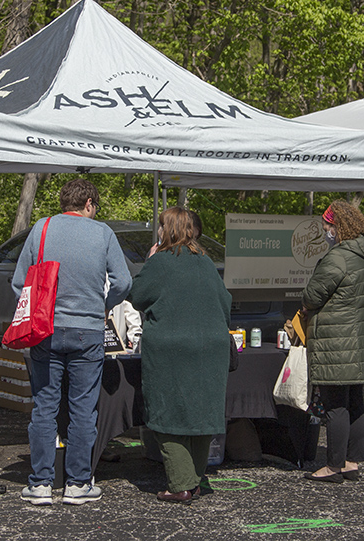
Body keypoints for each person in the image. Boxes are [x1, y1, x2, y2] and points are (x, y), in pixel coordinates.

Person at [14, 178, 131, 506]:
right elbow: (123, 281)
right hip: (88, 331)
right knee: (83, 408)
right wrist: (104, 304)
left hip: (46, 330)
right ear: (90, 204)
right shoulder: (103, 233)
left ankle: (40, 483)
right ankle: (78, 483)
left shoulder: (42, 228)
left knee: (44, 406)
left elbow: (19, 282)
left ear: (64, 202)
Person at [129, 206, 232, 504]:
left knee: (168, 413)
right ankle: (195, 479)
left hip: (173, 349)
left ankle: (181, 484)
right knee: (202, 413)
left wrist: (149, 260)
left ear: (169, 230)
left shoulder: (160, 261)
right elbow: (225, 303)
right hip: (211, 348)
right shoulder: (205, 262)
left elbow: (137, 296)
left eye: (161, 226)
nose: (159, 231)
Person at [301, 201, 364, 483]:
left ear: (338, 227)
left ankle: (333, 466)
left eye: (327, 224)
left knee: (335, 404)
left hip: (337, 342)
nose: (324, 229)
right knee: (356, 402)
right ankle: (351, 461)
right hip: (362, 341)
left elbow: (312, 296)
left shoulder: (338, 258)